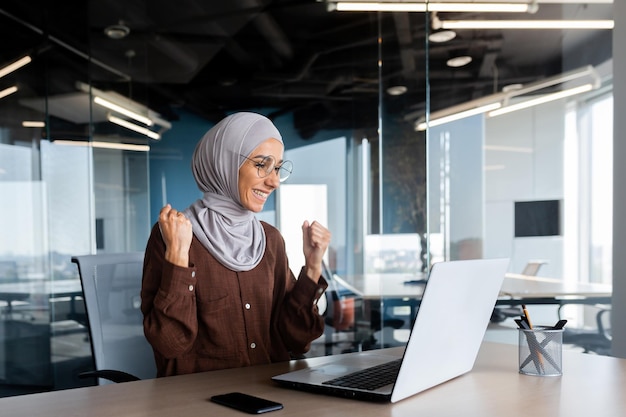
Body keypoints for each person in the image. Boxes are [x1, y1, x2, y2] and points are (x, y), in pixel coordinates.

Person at [141, 112, 331, 377]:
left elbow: (296, 340)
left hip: (269, 393)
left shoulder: (270, 239)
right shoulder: (173, 235)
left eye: (277, 168)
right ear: (225, 163)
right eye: (262, 165)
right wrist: (177, 256)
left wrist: (312, 266)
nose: (274, 181)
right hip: (198, 401)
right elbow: (169, 344)